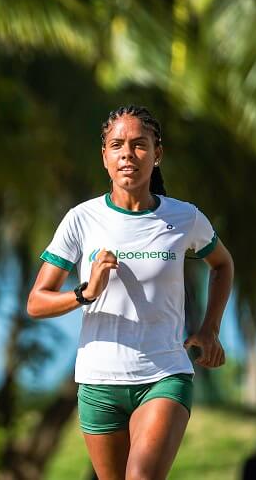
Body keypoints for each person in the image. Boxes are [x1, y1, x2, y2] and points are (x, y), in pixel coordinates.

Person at [27, 105, 234, 480]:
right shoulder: (81, 219)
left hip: (163, 374)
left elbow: (222, 264)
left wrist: (210, 329)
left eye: (139, 144)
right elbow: (37, 302)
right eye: (117, 145)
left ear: (157, 154)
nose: (128, 154)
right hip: (99, 381)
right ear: (104, 157)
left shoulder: (184, 218)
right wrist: (86, 292)